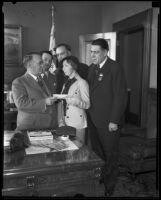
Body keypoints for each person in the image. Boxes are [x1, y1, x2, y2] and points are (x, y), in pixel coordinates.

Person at [87, 38, 127, 196]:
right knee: (97, 152)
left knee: (110, 155)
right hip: (93, 119)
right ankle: (101, 178)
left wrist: (114, 120)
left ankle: (110, 187)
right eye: (91, 52)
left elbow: (120, 96)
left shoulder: (115, 68)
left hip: (109, 121)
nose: (93, 55)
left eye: (96, 52)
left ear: (105, 52)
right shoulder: (92, 68)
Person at [12, 52, 58, 131]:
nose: (42, 65)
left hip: (49, 126)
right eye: (40, 63)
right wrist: (45, 102)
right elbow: (21, 104)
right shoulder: (19, 82)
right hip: (30, 127)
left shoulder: (44, 79)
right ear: (29, 65)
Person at [57, 56, 90, 145]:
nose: (63, 68)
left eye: (66, 66)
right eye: (62, 66)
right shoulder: (66, 83)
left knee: (77, 148)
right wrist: (60, 120)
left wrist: (74, 101)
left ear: (74, 66)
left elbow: (87, 104)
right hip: (64, 120)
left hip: (77, 121)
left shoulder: (82, 83)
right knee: (67, 148)